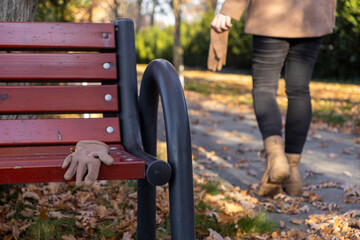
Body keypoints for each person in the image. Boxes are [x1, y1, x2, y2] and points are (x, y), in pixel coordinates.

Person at [208, 0, 336, 196]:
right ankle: (293, 173)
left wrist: (229, 9)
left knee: (264, 88)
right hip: (313, 15)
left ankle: (276, 159)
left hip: (271, 13)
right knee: (299, 90)